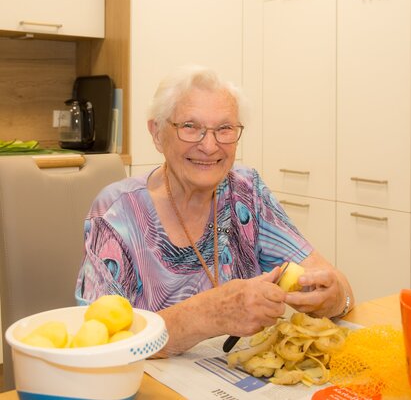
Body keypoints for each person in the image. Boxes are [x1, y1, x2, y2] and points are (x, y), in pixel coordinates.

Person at [75, 65, 354, 356]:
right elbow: (98, 343)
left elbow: (329, 278)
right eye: (190, 127)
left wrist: (337, 298)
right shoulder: (116, 214)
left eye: (224, 129)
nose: (209, 146)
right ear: (157, 133)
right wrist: (208, 315)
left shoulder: (246, 192)